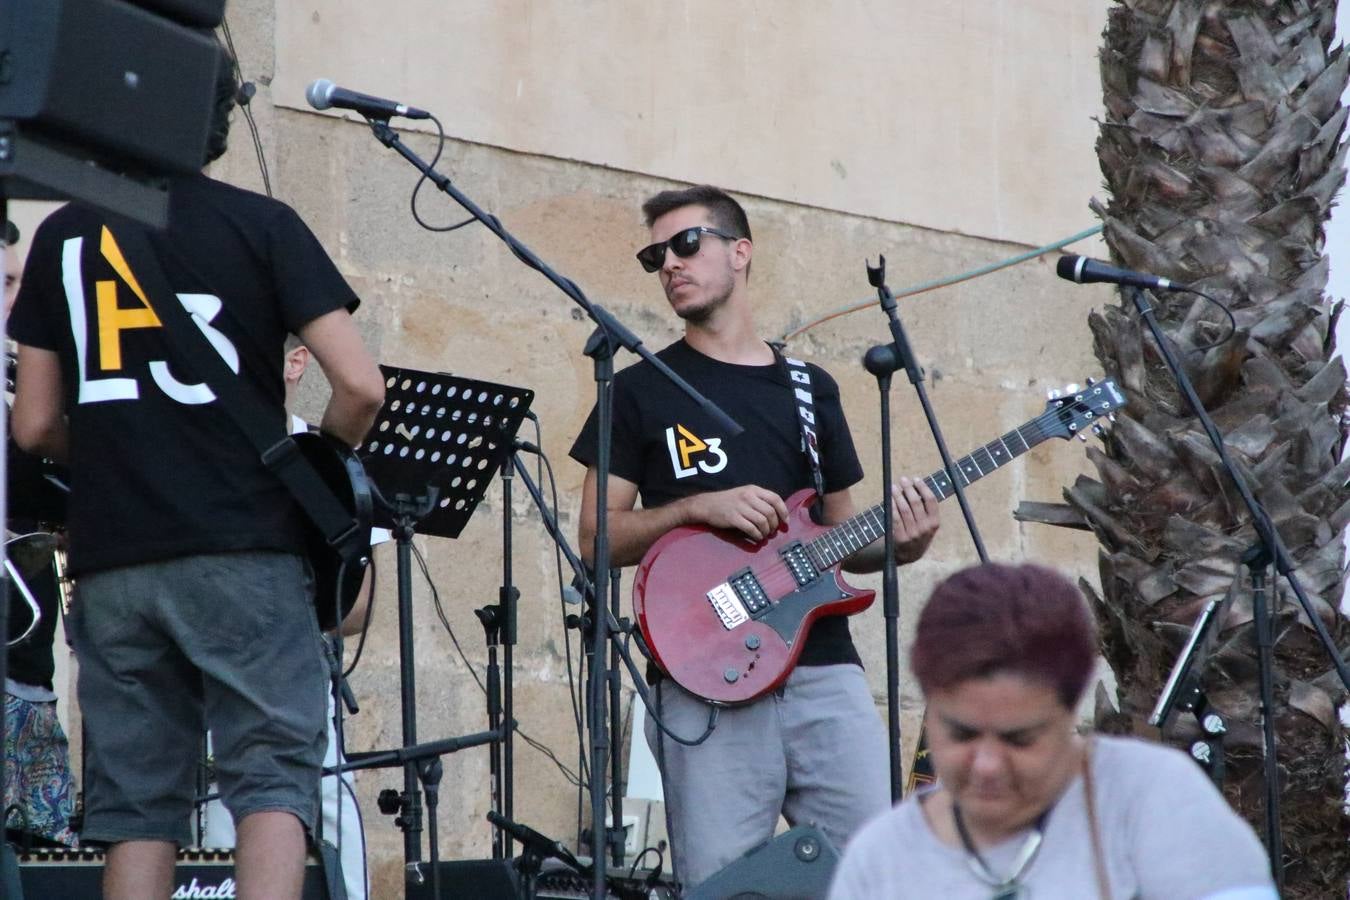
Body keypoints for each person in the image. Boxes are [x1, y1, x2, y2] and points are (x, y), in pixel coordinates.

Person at [8, 54, 386, 900]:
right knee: (271, 776)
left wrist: (121, 450)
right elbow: (361, 388)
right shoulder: (263, 223)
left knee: (137, 801)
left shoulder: (62, 236)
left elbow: (32, 426)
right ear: (213, 118)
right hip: (241, 544)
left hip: (113, 558)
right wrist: (314, 468)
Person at [569, 184, 941, 888]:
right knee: (725, 886)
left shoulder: (809, 388)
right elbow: (594, 537)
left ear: (740, 252)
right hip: (707, 682)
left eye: (686, 244)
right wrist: (694, 509)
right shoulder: (640, 390)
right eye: (655, 255)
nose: (669, 263)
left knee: (873, 876)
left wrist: (902, 544)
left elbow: (839, 536)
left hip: (823, 674)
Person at [829, 562, 1277, 899]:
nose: (986, 765)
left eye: (1019, 739)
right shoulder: (880, 859)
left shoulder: (1155, 798)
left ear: (1070, 714)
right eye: (961, 735)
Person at [200, 335, 386, 900]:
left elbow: (358, 607)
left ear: (296, 362)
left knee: (337, 847)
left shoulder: (329, 460)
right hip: (208, 684)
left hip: (300, 683)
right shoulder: (200, 450)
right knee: (216, 856)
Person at [3, 219, 78, 849]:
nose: (16, 302)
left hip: (26, 668)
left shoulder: (23, 388)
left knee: (39, 853)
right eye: (5, 283)